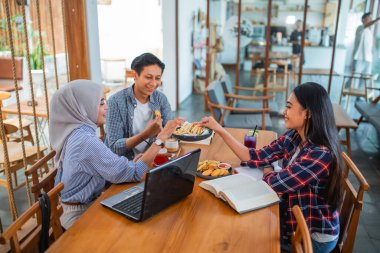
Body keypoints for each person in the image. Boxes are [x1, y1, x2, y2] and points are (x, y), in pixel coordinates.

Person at [199, 83, 343, 253]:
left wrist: (269, 170)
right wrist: (219, 129)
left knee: (242, 238)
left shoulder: (320, 154)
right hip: (292, 217)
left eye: (289, 107)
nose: (284, 112)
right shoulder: (295, 136)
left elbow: (273, 184)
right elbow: (255, 156)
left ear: (308, 113)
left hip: (311, 237)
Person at [50, 80, 180, 229]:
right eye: (100, 103)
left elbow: (111, 165)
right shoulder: (86, 141)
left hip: (88, 202)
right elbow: (133, 173)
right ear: (82, 107)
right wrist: (160, 139)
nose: (107, 106)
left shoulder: (77, 131)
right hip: (80, 215)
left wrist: (136, 162)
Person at [105, 53, 173, 160]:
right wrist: (146, 134)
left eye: (158, 78)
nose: (153, 83)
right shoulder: (115, 102)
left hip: (153, 157)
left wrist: (175, 128)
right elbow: (114, 147)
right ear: (135, 75)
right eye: (148, 77)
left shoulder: (160, 98)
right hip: (126, 163)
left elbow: (169, 129)